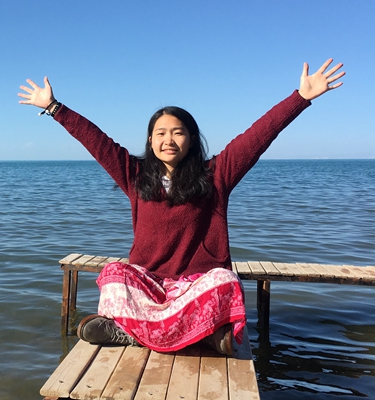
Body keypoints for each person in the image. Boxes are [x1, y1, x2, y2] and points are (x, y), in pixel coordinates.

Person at [18, 59, 345, 355]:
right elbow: (97, 142)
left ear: (191, 139)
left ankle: (137, 333)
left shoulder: (216, 175)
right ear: (150, 141)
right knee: (115, 274)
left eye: (178, 133)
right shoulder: (135, 176)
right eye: (160, 133)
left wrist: (300, 98)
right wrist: (55, 108)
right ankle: (202, 336)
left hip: (195, 286)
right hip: (151, 284)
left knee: (225, 281)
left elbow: (257, 137)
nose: (168, 140)